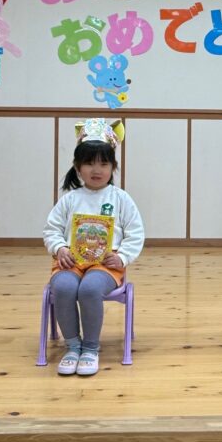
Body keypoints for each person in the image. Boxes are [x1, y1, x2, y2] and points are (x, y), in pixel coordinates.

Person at [43, 119, 144, 376]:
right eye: (89, 163)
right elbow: (51, 230)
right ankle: (72, 346)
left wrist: (122, 257)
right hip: (71, 261)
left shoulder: (121, 199)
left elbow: (135, 234)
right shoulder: (70, 199)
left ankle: (90, 347)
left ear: (113, 167)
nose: (96, 169)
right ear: (78, 167)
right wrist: (60, 248)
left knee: (89, 289)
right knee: (64, 287)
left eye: (103, 163)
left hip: (105, 265)